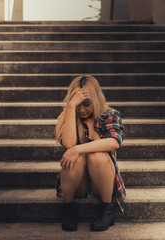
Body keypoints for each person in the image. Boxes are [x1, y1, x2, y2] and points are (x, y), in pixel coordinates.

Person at [55, 75, 126, 232]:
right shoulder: (69, 116)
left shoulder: (110, 115)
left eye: (86, 104)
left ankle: (106, 209)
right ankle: (68, 209)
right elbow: (68, 144)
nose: (82, 109)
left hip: (103, 183)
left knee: (96, 155)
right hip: (77, 184)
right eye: (77, 105)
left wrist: (78, 149)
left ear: (96, 99)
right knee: (77, 158)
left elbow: (114, 142)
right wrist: (71, 107)